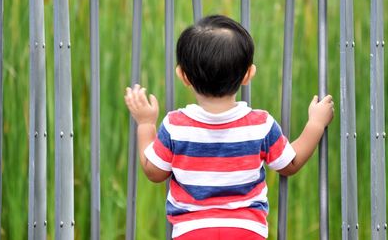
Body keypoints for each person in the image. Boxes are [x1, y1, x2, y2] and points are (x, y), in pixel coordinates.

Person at [124, 15, 334, 240]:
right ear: (248, 74)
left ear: (183, 75)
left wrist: (145, 124)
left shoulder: (175, 125)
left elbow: (154, 172)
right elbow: (290, 164)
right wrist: (316, 123)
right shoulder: (260, 124)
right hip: (246, 231)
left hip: (192, 232)